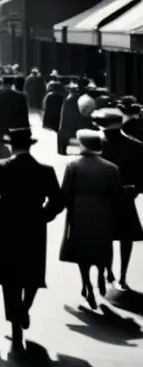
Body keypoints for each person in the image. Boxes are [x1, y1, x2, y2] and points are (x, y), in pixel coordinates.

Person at [0, 127, 64, 350]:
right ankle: (25, 307)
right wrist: (44, 216)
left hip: (7, 225)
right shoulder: (45, 171)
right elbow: (58, 201)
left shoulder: (0, 167)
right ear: (30, 146)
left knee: (9, 277)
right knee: (33, 272)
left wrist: (1, 211)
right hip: (34, 225)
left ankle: (15, 322)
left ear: (11, 145)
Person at [59, 129, 124, 308]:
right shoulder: (111, 168)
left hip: (80, 212)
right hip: (103, 212)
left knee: (82, 252)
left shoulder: (73, 166)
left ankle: (86, 283)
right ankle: (101, 274)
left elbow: (65, 193)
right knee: (101, 247)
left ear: (82, 145)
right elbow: (117, 195)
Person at [94, 108, 143, 289]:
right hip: (125, 196)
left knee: (104, 238)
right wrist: (137, 189)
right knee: (126, 237)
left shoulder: (97, 144)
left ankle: (108, 271)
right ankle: (122, 274)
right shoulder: (135, 145)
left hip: (103, 198)